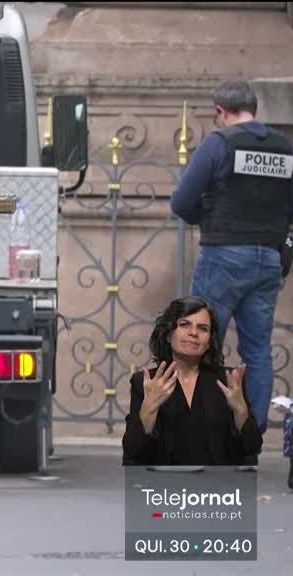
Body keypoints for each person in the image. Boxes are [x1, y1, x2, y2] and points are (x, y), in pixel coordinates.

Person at [171, 80, 293, 441]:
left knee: (196, 344)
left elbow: (181, 201)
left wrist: (205, 218)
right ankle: (247, 440)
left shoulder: (218, 143)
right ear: (254, 108)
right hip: (268, 259)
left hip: (223, 256)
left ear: (221, 112)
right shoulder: (284, 149)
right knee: (257, 351)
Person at [122, 297, 263, 466]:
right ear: (168, 334)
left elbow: (252, 447)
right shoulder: (146, 382)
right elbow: (132, 450)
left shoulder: (229, 381)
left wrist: (241, 411)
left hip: (217, 487)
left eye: (202, 328)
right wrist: (149, 406)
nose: (193, 333)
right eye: (185, 325)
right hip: (164, 488)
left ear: (209, 341)